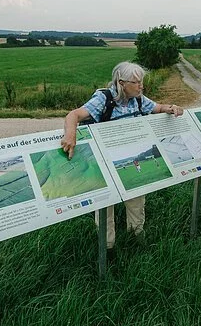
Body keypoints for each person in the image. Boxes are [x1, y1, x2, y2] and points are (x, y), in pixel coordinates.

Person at [61, 61, 184, 256]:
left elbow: (158, 107)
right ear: (121, 82)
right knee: (105, 206)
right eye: (136, 82)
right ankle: (107, 246)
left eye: (141, 82)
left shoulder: (139, 99)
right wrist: (70, 135)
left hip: (129, 156)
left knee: (137, 199)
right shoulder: (104, 98)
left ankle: (136, 238)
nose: (141, 86)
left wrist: (171, 108)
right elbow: (74, 115)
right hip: (104, 162)